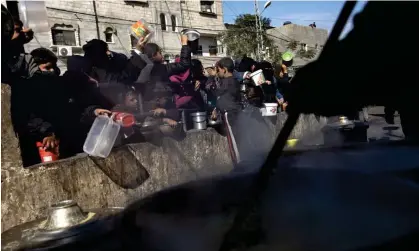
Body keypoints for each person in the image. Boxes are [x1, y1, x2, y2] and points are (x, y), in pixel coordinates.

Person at [13, 48, 112, 166]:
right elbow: (27, 117)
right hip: (43, 147)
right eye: (47, 67)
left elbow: (75, 109)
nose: (53, 71)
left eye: (54, 66)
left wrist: (94, 111)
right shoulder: (25, 89)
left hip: (69, 143)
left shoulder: (61, 86)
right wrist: (47, 133)